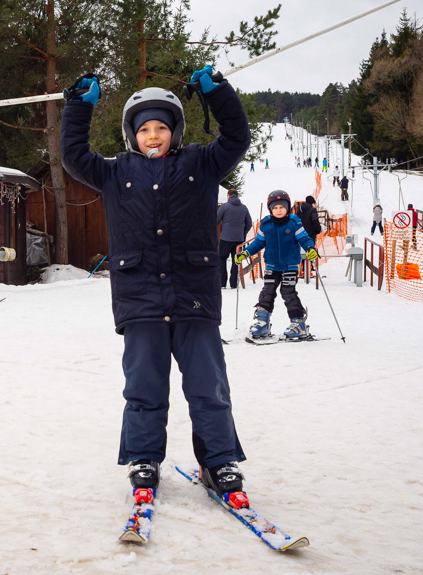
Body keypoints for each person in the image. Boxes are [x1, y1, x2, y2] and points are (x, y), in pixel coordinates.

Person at [60, 67, 250, 502]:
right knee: (144, 387)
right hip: (140, 298)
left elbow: (236, 137)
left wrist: (217, 92)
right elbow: (73, 155)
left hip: (193, 298)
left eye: (161, 127)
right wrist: (78, 106)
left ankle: (219, 460)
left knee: (208, 386)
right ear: (132, 134)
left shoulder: (202, 164)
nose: (152, 135)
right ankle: (144, 457)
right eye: (144, 128)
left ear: (175, 131)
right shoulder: (114, 173)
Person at [235, 190, 318, 340]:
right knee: (267, 292)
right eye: (275, 208)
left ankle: (298, 323)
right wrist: (246, 253)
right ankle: (262, 323)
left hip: (290, 265)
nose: (278, 210)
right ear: (270, 209)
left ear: (287, 207)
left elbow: (304, 238)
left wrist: (310, 248)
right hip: (272, 265)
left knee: (288, 292)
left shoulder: (294, 222)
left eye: (282, 207)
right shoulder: (266, 224)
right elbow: (259, 242)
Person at [217, 189, 253, 289]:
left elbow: (216, 219)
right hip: (239, 239)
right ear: (237, 196)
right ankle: (233, 284)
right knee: (236, 261)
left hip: (225, 238)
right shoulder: (244, 208)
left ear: (228, 196)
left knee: (222, 259)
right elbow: (249, 223)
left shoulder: (224, 207)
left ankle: (222, 283)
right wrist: (243, 232)